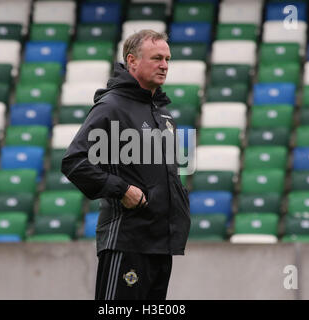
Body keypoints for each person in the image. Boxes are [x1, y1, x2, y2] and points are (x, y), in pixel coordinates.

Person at [61, 30, 190, 300]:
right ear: (131, 61)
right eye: (157, 58)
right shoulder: (111, 107)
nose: (164, 65)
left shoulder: (163, 113)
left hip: (160, 245)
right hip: (127, 241)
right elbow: (74, 162)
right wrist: (122, 190)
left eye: (167, 59)